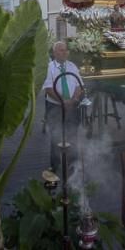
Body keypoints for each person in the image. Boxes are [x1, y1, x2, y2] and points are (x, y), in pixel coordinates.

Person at [42, 41, 84, 171]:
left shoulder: (72, 66)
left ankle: (74, 164)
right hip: (55, 107)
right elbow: (48, 88)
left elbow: (79, 85)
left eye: (65, 50)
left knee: (73, 134)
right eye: (61, 50)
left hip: (72, 106)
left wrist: (74, 99)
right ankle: (54, 166)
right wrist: (62, 101)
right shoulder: (49, 68)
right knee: (56, 136)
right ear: (54, 53)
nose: (64, 52)